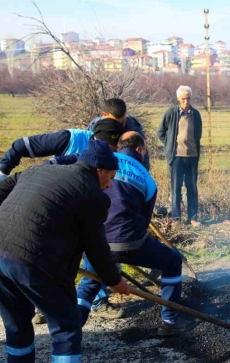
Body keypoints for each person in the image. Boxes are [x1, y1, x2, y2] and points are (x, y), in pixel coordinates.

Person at [0, 140, 131, 363]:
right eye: (110, 177)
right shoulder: (92, 195)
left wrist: (13, 228)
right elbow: (97, 248)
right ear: (99, 171)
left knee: (17, 321)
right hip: (30, 260)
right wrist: (114, 280)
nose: (109, 185)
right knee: (67, 326)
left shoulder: (38, 171)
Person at [59, 132, 194, 337]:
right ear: (139, 149)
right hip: (130, 243)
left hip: (95, 241)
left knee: (90, 284)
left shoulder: (101, 165)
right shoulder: (147, 178)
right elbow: (145, 221)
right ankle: (170, 320)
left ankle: (70, 333)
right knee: (173, 261)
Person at [0, 118, 125, 185]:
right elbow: (22, 145)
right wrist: (2, 172)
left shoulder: (120, 156)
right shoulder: (70, 139)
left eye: (115, 148)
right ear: (95, 138)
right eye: (107, 146)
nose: (111, 151)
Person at [157, 85, 202, 225]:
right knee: (176, 188)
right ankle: (176, 218)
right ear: (178, 98)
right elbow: (160, 133)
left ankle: (193, 217)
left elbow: (198, 134)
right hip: (176, 157)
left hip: (192, 157)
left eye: (188, 98)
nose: (186, 101)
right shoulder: (171, 113)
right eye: (183, 99)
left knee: (192, 188)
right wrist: (169, 145)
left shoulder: (195, 114)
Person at [87, 98, 150, 170]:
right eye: (114, 122)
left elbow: (143, 154)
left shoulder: (133, 127)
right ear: (104, 114)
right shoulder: (94, 126)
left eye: (122, 122)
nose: (119, 126)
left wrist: (143, 173)